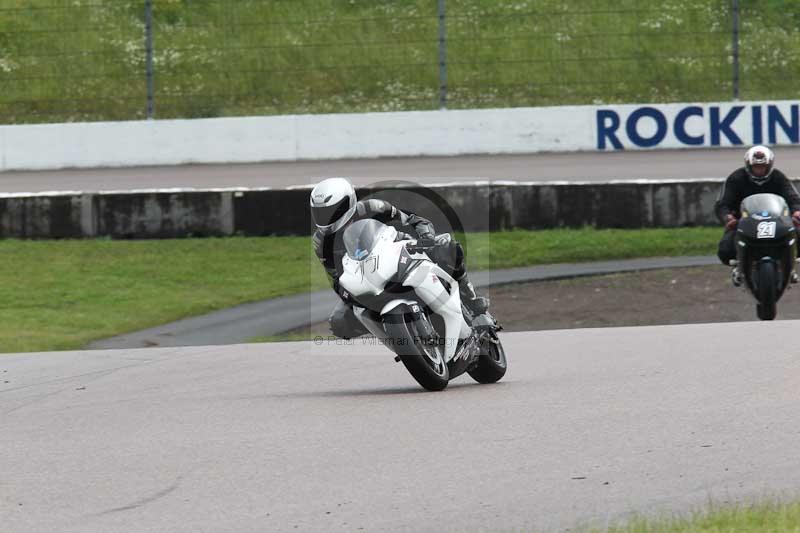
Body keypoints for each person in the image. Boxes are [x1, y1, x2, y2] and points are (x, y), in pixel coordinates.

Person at [310, 177, 489, 339]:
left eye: (333, 211)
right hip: (365, 277)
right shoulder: (321, 242)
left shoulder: (372, 208)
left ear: (348, 203)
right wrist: (347, 294)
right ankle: (396, 333)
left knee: (448, 247)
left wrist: (425, 236)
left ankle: (471, 300)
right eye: (321, 213)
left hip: (400, 251)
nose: (327, 218)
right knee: (339, 322)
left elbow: (413, 220)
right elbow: (335, 277)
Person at [715, 145, 800, 285]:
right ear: (748, 165)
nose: (759, 170)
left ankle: (789, 266)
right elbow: (722, 203)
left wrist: (796, 211)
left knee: (797, 232)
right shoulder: (736, 178)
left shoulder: (778, 177)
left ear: (769, 165)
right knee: (725, 249)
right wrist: (727, 217)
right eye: (756, 167)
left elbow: (793, 197)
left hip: (776, 220)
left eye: (763, 167)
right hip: (743, 222)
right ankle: (738, 266)